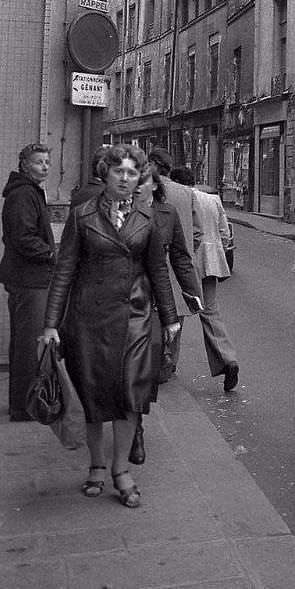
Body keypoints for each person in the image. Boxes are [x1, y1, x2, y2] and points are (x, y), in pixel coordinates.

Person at [40, 144, 180, 509]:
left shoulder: (147, 217)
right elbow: (64, 270)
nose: (125, 178)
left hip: (134, 318)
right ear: (106, 173)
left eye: (133, 173)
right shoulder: (82, 215)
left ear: (140, 179)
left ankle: (121, 470)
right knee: (91, 395)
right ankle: (97, 465)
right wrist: (51, 324)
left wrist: (170, 318)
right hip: (88, 319)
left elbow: (158, 270)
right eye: (119, 171)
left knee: (130, 394)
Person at [128, 169, 203, 465]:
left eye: (142, 181)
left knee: (148, 361)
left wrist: (191, 290)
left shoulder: (167, 213)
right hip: (120, 299)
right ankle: (132, 425)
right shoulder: (116, 211)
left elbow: (180, 256)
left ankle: (136, 420)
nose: (136, 186)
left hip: (155, 299)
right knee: (125, 363)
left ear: (154, 185)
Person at [0, 143, 57, 422]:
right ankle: (25, 406)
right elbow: (23, 237)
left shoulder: (28, 191)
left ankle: (24, 403)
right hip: (29, 278)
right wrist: (50, 254)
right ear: (24, 164)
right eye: (38, 162)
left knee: (26, 342)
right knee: (28, 344)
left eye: (47, 162)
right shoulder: (24, 194)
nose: (44, 166)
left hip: (27, 276)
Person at [170, 166, 239, 393]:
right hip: (211, 261)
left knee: (177, 311)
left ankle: (169, 362)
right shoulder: (212, 199)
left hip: (187, 261)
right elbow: (224, 233)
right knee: (210, 311)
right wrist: (217, 251)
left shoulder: (178, 198)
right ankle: (228, 359)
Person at [146, 146, 201, 381]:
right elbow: (197, 232)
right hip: (179, 267)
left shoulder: (143, 190)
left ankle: (154, 364)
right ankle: (168, 366)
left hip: (154, 269)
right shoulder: (187, 193)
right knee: (175, 320)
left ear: (153, 166)